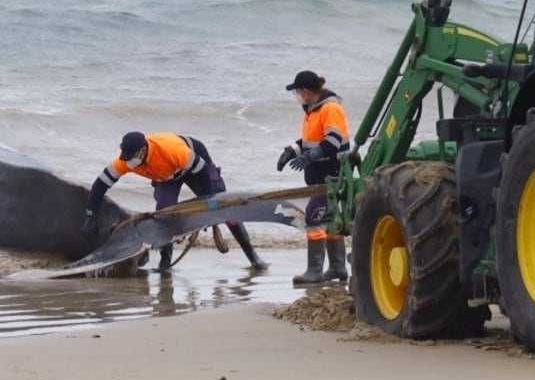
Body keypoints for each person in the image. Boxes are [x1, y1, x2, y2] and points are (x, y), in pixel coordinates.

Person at [83, 130, 267, 272]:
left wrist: (207, 207)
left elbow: (202, 171)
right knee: (164, 212)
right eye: (125, 158)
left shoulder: (171, 151)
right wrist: (90, 217)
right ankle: (165, 261)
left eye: (131, 158)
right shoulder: (126, 160)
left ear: (142, 151)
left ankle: (253, 258)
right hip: (167, 175)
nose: (128, 162)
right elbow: (100, 185)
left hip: (195, 165)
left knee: (225, 210)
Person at [279, 70, 350, 286]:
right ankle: (338, 267)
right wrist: (291, 150)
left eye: (297, 92)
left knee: (315, 216)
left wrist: (309, 158)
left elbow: (332, 142)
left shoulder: (331, 109)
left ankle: (315, 270)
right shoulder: (312, 110)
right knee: (329, 217)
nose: (297, 96)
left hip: (331, 172)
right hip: (319, 175)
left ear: (306, 91)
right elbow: (309, 139)